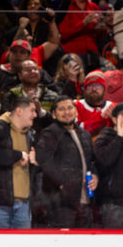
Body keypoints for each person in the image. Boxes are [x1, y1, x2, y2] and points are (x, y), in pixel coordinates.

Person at [34, 95, 97, 228]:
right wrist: (62, 183)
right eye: (61, 109)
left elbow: (91, 161)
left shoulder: (84, 134)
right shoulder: (50, 133)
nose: (67, 112)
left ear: (76, 111)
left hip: (85, 200)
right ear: (54, 115)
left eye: (69, 108)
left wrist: (95, 176)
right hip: (60, 203)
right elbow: (44, 161)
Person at [0, 97, 38, 229]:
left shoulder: (31, 134)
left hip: (24, 204)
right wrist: (17, 155)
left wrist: (35, 161)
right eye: (32, 110)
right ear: (19, 111)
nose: (35, 115)